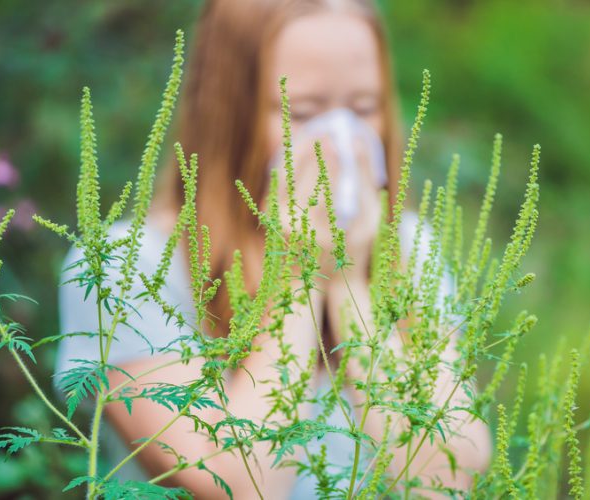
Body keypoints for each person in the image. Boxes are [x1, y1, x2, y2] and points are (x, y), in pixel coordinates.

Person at [57, 0, 491, 497]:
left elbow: (448, 475)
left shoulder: (413, 249)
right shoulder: (128, 267)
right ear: (228, 114)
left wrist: (348, 283)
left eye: (364, 107)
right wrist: (302, 273)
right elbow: (239, 483)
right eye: (303, 112)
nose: (340, 140)